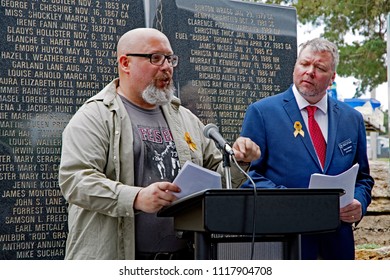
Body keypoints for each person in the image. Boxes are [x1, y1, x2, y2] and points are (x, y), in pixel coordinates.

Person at [58, 28, 260, 260]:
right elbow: (75, 181)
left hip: (185, 258)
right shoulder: (96, 115)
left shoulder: (185, 119)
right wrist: (136, 198)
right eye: (155, 58)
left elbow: (219, 181)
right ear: (125, 63)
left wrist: (239, 161)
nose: (167, 67)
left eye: (170, 58)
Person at [240, 38, 374, 260]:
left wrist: (360, 202)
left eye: (319, 68)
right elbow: (249, 176)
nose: (309, 72)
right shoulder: (262, 113)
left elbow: (363, 178)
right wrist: (295, 202)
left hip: (337, 245)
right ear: (295, 66)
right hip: (285, 242)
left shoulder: (352, 119)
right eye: (304, 64)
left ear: (332, 78)